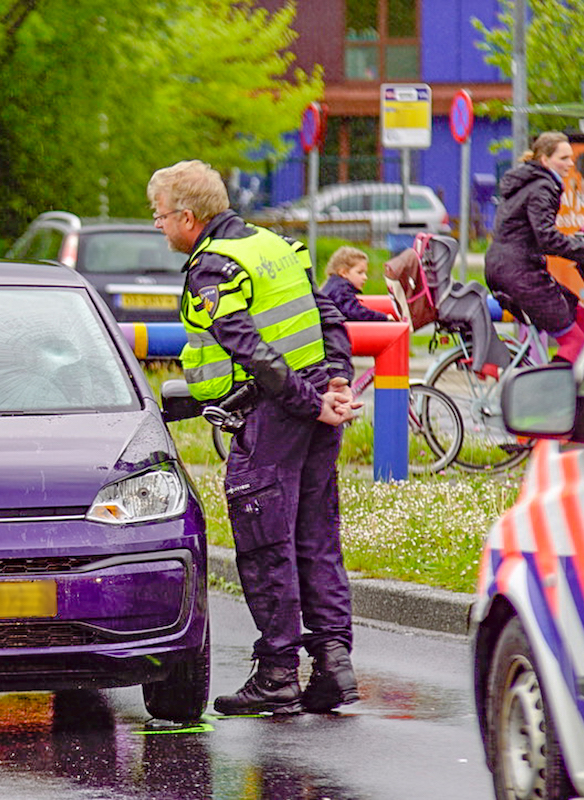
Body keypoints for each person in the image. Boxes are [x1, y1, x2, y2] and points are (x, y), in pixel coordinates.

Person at [147, 160, 361, 716]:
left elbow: (252, 352)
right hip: (310, 406)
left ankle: (277, 673)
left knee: (267, 545)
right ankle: (334, 665)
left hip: (273, 415)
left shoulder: (213, 268)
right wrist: (334, 381)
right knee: (316, 537)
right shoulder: (275, 246)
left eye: (160, 215)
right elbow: (327, 313)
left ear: (187, 218)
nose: (157, 225)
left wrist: (310, 402)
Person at [484, 131, 584, 363]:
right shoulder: (543, 187)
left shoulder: (528, 182)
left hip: (504, 267)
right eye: (563, 158)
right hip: (520, 273)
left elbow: (531, 233)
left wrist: (580, 244)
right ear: (545, 160)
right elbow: (546, 237)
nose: (570, 163)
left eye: (571, 158)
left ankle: (566, 380)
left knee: (578, 312)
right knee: (573, 340)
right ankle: (554, 393)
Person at [320, 246, 393, 322]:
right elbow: (354, 312)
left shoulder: (332, 286)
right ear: (343, 272)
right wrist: (383, 318)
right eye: (360, 272)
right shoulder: (342, 289)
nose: (365, 277)